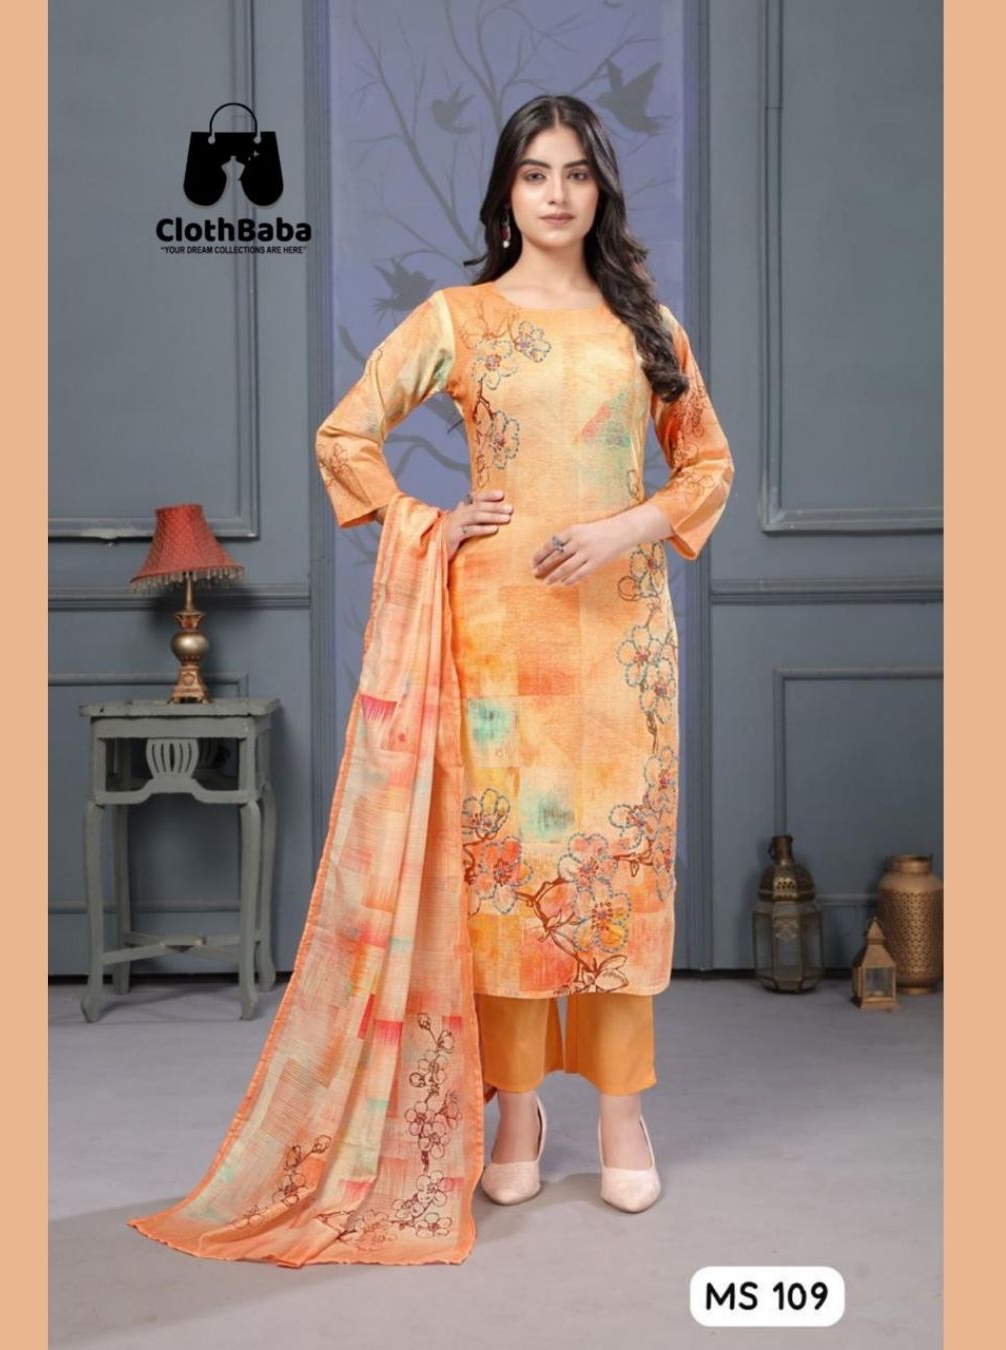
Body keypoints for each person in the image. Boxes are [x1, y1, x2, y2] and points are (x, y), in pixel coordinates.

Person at [316, 94, 734, 1214]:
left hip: (621, 646)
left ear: (602, 191)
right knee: (506, 880)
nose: (558, 193)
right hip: (499, 640)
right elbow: (345, 433)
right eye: (536, 172)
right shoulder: (459, 319)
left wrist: (625, 526)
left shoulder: (646, 326)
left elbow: (706, 467)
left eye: (577, 173)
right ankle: (516, 1111)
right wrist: (428, 521)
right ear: (507, 190)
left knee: (620, 882)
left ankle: (621, 1114)